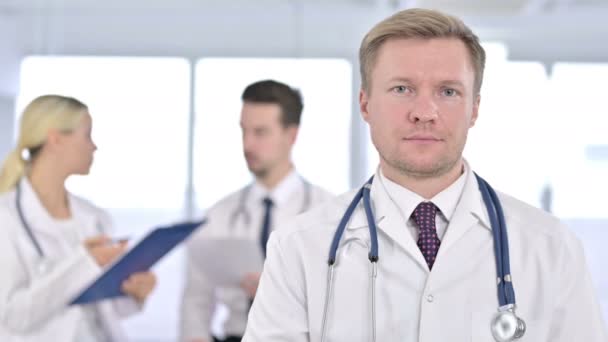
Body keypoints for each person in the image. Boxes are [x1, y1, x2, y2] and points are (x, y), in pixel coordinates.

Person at [242, 8, 608, 342]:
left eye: (448, 91)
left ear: (474, 108)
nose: (424, 112)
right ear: (365, 104)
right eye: (402, 89)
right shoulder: (298, 249)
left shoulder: (552, 249)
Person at [180, 80, 333, 342]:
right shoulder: (219, 215)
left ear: (291, 135)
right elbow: (196, 300)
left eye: (260, 132)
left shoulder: (329, 214)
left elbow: (347, 300)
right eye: (244, 131)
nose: (247, 144)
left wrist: (283, 291)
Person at [0, 95, 157, 341]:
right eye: (87, 135)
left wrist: (134, 292)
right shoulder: (6, 217)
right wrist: (86, 262)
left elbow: (104, 309)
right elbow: (13, 315)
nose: (93, 146)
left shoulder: (94, 217)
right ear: (55, 140)